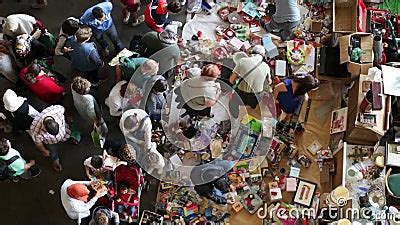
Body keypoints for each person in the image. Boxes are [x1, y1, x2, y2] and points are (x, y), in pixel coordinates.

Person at [229, 45, 271, 118]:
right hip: (255, 97)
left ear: (251, 52)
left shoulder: (242, 61)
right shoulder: (266, 67)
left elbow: (231, 80)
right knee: (261, 94)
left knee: (232, 103)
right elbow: (269, 82)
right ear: (263, 56)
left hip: (240, 94)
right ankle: (249, 110)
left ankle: (234, 116)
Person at [30, 105, 71, 171]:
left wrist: (68, 116)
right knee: (53, 151)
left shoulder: (57, 109)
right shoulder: (35, 129)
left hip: (64, 131)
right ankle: (56, 161)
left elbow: (64, 109)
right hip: (50, 142)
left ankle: (70, 137)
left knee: (67, 134)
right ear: (45, 128)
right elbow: (38, 143)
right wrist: (44, 150)